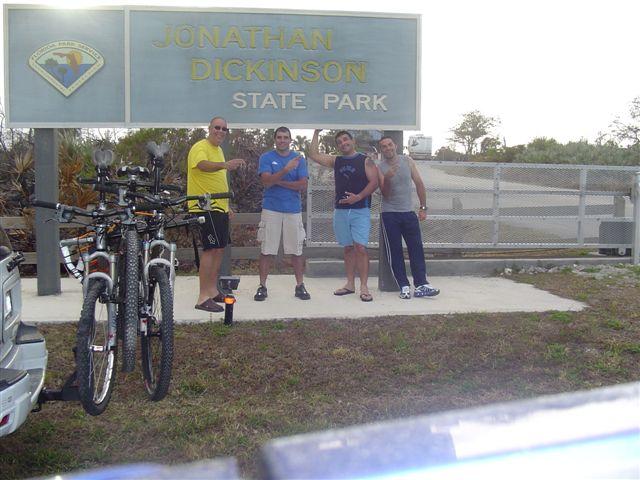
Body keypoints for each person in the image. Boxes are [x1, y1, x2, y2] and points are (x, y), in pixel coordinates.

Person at [309, 129, 378, 302]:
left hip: (360, 209)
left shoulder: (365, 160)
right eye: (339, 142)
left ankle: (364, 286)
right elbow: (314, 154)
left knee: (360, 248)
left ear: (352, 141)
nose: (343, 143)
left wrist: (359, 196)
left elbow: (375, 182)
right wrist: (316, 132)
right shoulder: (336, 161)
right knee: (347, 248)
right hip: (340, 211)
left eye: (345, 140)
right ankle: (349, 284)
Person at [188, 116, 246, 313]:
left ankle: (212, 291)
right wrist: (224, 165)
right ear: (209, 128)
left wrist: (225, 206)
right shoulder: (200, 146)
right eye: (217, 128)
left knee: (219, 249)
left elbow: (217, 180)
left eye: (224, 129)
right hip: (204, 208)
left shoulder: (219, 150)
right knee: (209, 250)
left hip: (219, 208)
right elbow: (201, 165)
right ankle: (202, 297)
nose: (220, 131)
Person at [377, 136, 439, 299]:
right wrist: (388, 178)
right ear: (381, 150)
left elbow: (419, 183)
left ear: (395, 145)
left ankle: (421, 284)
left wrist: (423, 207)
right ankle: (403, 285)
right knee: (395, 251)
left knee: (416, 248)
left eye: (389, 144)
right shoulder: (380, 167)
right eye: (384, 146)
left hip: (408, 213)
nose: (387, 148)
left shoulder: (408, 161)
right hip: (389, 214)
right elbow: (386, 195)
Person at [254, 126, 310, 301]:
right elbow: (266, 182)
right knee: (267, 250)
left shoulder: (299, 159)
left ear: (290, 140)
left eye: (286, 137)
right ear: (275, 139)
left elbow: (302, 185)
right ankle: (262, 286)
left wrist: (278, 181)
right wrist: (285, 171)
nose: (282, 140)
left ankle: (300, 285)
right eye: (279, 137)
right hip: (271, 209)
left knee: (297, 250)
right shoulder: (266, 157)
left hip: (293, 210)